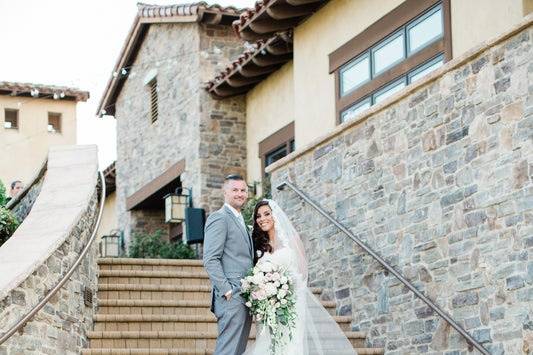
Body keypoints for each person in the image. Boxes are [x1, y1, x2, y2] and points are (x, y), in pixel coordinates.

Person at [244, 199, 357, 355]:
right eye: (258, 216)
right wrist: (264, 294)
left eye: (267, 214)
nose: (262, 219)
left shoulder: (292, 240)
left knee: (291, 344)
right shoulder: (258, 245)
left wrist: (283, 290)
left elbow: (303, 273)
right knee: (270, 345)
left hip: (291, 303)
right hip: (268, 307)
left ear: (275, 215)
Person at [203, 174, 254, 355]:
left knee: (237, 351)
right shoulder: (220, 218)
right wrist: (227, 290)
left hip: (245, 296)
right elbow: (210, 259)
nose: (240, 194)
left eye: (243, 190)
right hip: (231, 296)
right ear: (225, 192)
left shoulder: (242, 221)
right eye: (235, 190)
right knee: (228, 350)